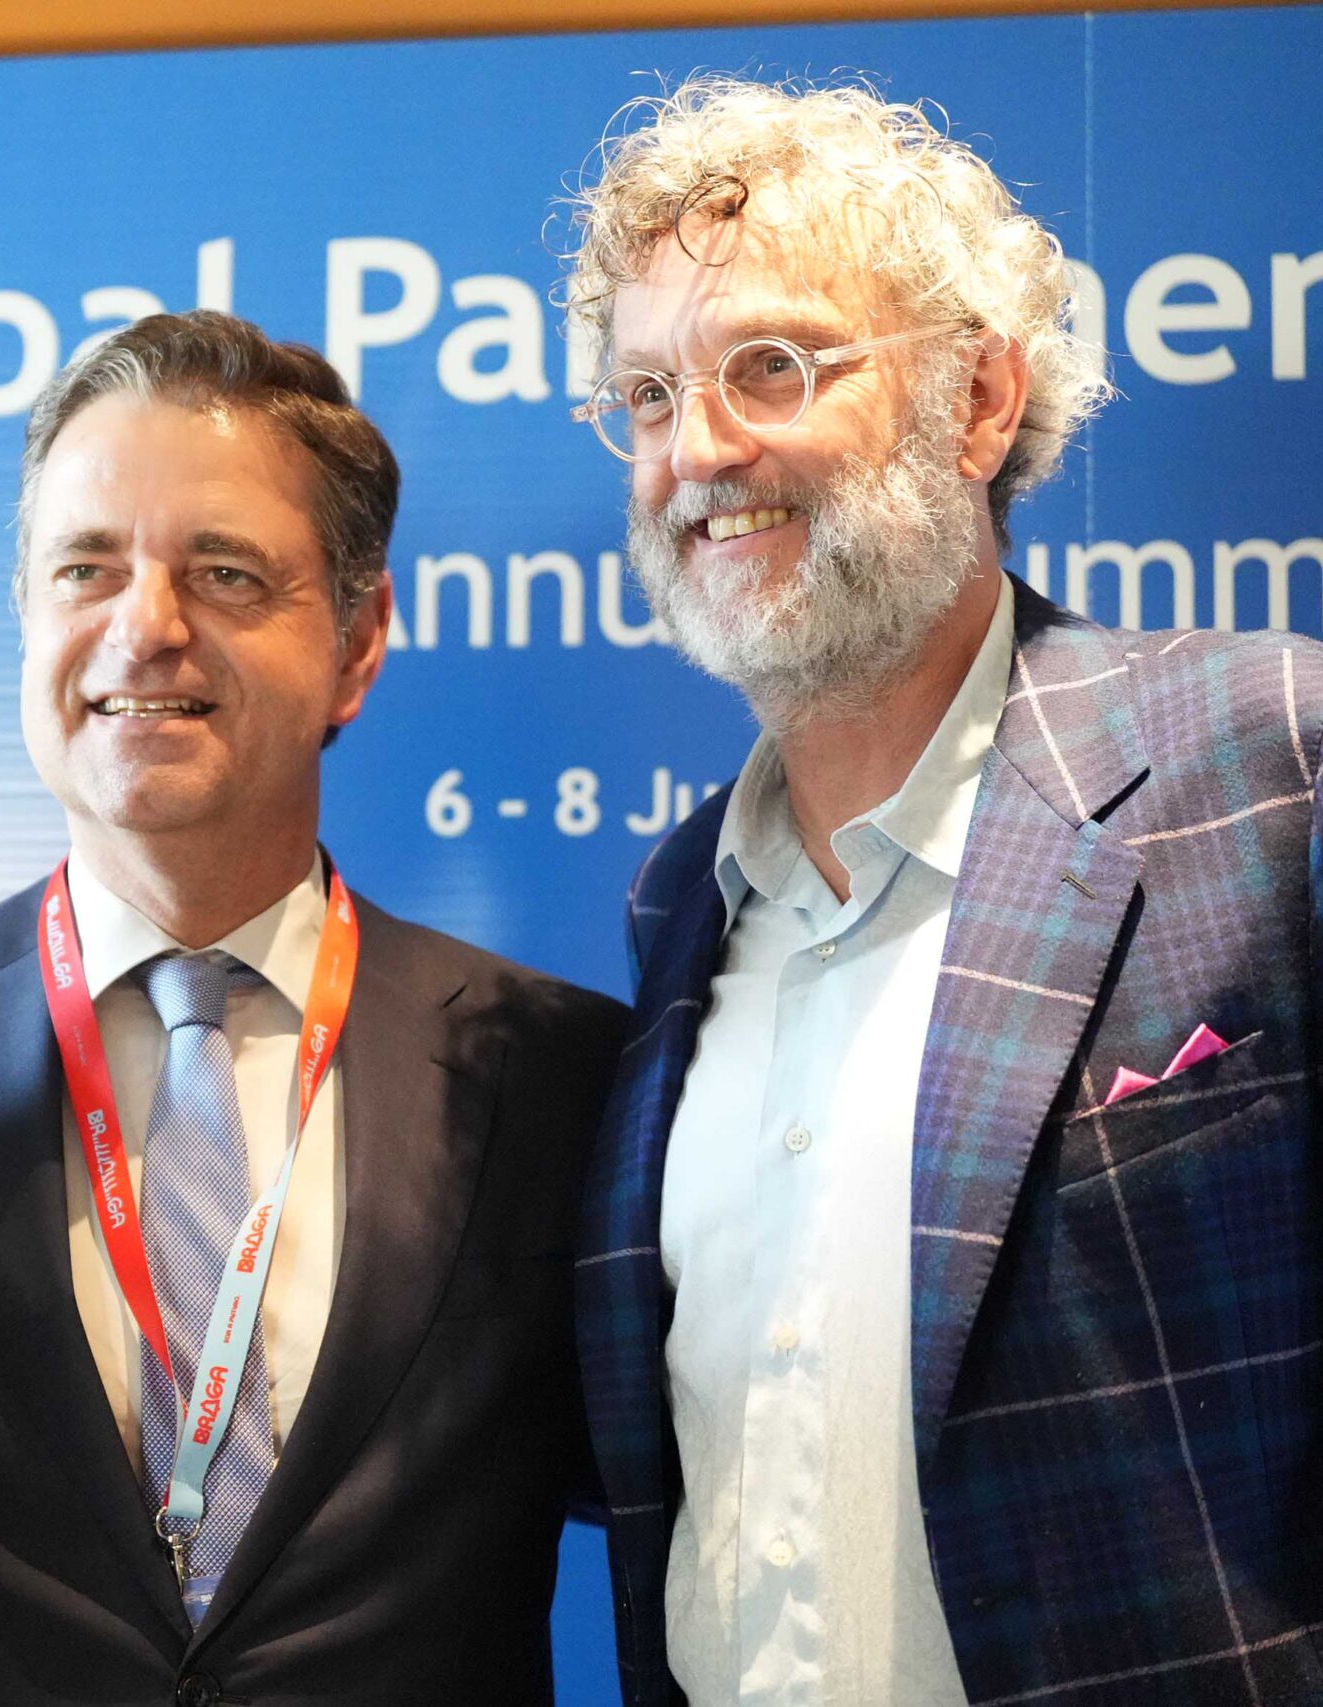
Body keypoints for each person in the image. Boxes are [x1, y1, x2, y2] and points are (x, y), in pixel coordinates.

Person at [561, 76, 1323, 1707]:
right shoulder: (677, 908)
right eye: (648, 393)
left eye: (773, 365)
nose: (699, 452)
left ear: (977, 400)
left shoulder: (1276, 761)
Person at [0, 309, 627, 1706]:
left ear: (359, 643)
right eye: (85, 569)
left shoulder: (567, 1077)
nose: (146, 626)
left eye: (226, 574)